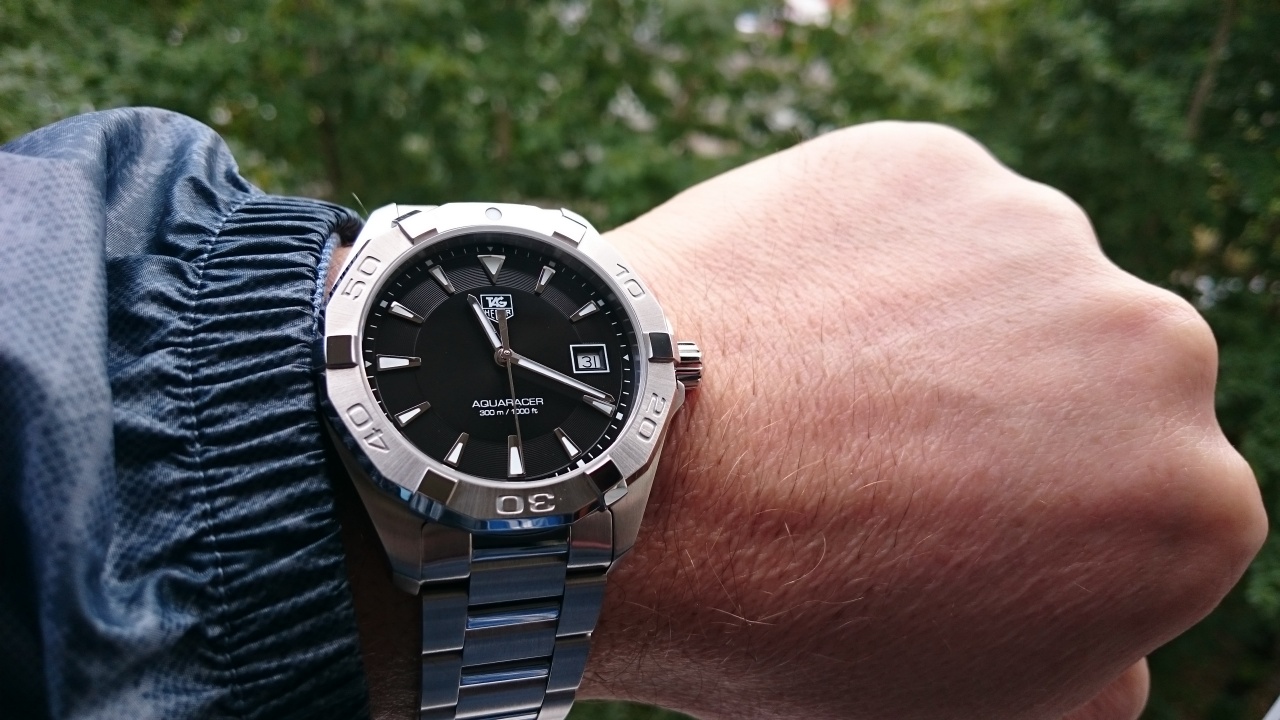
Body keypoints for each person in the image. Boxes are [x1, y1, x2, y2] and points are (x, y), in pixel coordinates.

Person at [0, 107, 1264, 720]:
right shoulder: (366, 346)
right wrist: (248, 396)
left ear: (667, 359)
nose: (508, 350)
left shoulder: (614, 359)